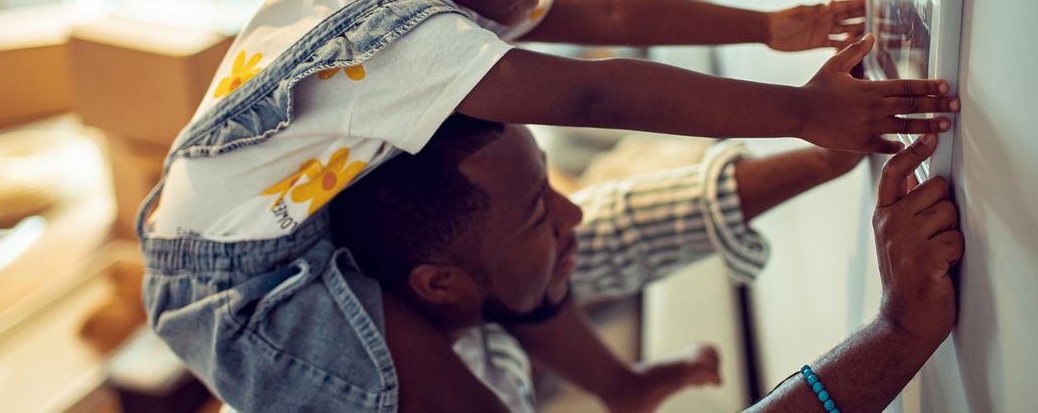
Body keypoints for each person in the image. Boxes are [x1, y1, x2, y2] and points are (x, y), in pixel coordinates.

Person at [139, 0, 958, 411]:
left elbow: (609, 19)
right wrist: (801, 113)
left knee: (515, 252)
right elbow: (598, 88)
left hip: (264, 225)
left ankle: (620, 385)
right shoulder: (404, 41)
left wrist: (770, 28)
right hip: (236, 286)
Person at [330, 116, 963, 412]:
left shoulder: (452, 285)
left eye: (552, 185)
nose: (570, 213)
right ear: (439, 285)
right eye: (536, 213)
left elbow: (618, 228)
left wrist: (823, 161)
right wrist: (899, 331)